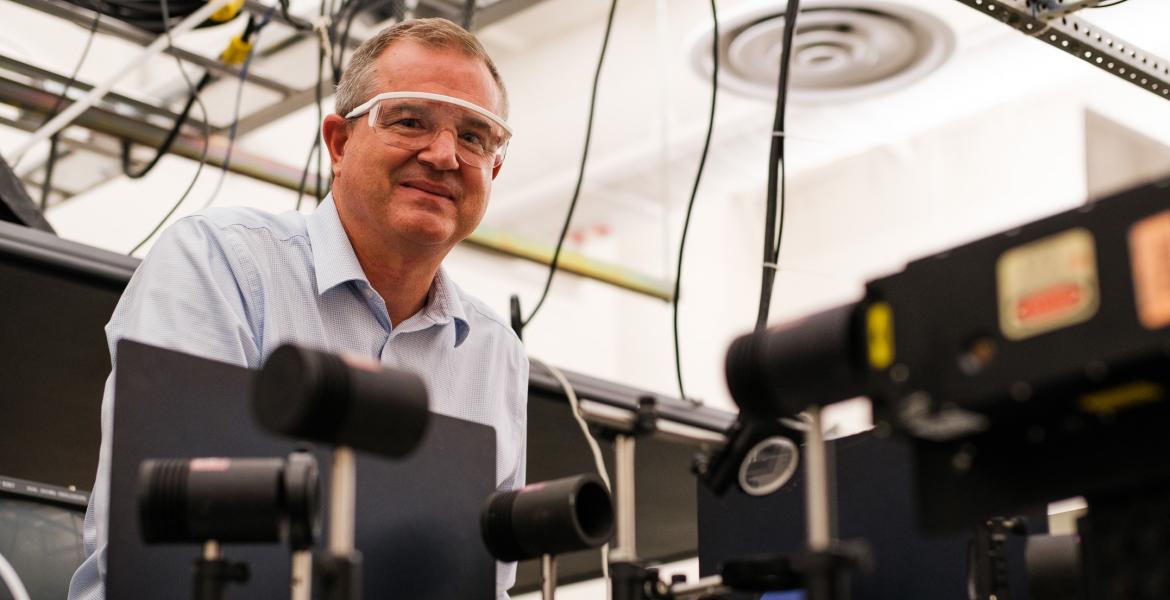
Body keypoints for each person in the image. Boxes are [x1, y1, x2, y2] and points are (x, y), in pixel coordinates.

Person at [68, 17, 528, 600]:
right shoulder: (221, 264)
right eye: (410, 120)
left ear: (494, 167)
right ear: (338, 143)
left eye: (473, 136)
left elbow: (480, 585)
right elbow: (166, 544)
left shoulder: (496, 355)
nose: (444, 155)